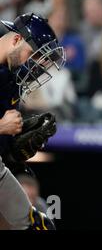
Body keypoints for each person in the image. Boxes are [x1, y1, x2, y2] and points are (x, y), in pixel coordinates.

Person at [0, 13, 65, 230]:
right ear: (17, 40)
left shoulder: (11, 78)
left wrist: (16, 148)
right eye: (34, 55)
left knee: (39, 227)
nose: (36, 66)